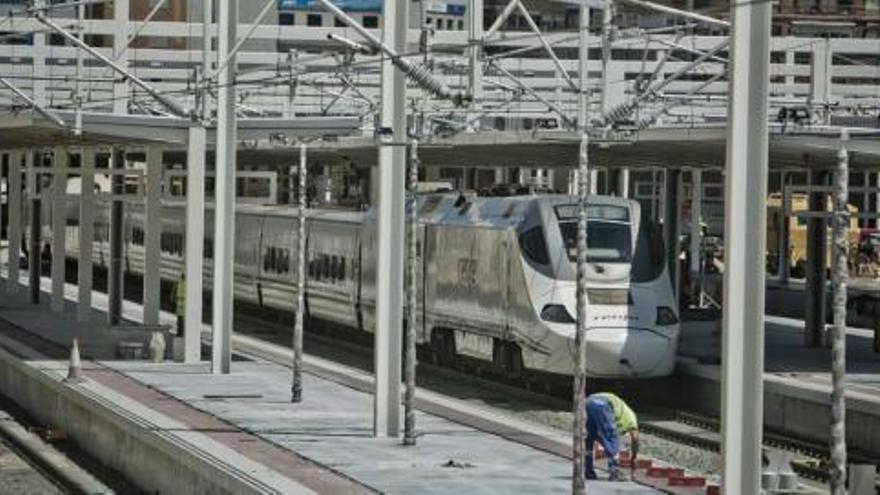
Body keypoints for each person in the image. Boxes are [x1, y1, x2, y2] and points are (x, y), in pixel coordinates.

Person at [585, 392, 640, 481]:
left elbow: (602, 436)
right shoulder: (632, 419)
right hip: (604, 404)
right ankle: (614, 471)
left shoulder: (621, 415)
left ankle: (588, 470)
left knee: (590, 436)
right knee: (612, 437)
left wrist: (607, 446)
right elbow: (635, 438)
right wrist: (634, 458)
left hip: (588, 401)